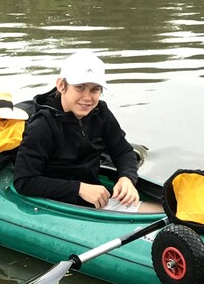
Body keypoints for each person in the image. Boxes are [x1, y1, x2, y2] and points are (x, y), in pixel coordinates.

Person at [13, 52, 163, 214]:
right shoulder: (42, 126)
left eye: (94, 90)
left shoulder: (100, 113)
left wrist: (127, 178)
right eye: (80, 87)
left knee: (169, 209)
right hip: (59, 203)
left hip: (96, 193)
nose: (87, 97)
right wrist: (79, 188)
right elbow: (24, 181)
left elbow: (123, 151)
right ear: (61, 85)